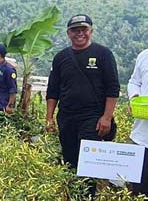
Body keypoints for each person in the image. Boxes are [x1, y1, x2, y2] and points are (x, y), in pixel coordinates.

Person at [46, 14, 120, 169]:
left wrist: (106, 118)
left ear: (91, 31)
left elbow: (112, 88)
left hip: (93, 117)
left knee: (89, 162)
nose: (79, 33)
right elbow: (53, 91)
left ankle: (89, 194)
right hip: (66, 116)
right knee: (69, 159)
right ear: (68, 33)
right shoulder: (60, 57)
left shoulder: (103, 54)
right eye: (75, 30)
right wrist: (49, 118)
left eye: (83, 29)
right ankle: (72, 193)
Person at [126, 48, 148, 197]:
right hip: (142, 137)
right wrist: (134, 96)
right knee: (140, 192)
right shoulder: (144, 55)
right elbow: (134, 81)